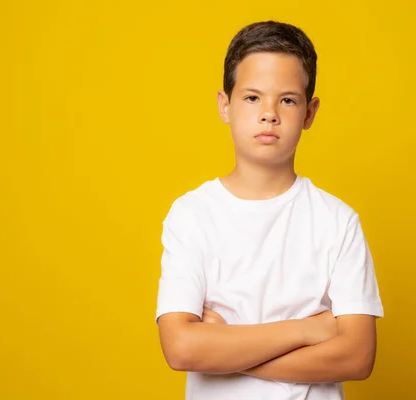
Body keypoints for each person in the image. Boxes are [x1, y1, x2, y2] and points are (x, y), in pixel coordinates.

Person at [155, 20, 384, 400]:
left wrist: (222, 347)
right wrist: (308, 331)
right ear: (224, 106)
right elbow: (180, 348)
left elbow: (358, 357)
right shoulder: (191, 215)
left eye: (288, 99)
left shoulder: (337, 220)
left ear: (309, 113)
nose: (269, 113)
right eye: (252, 98)